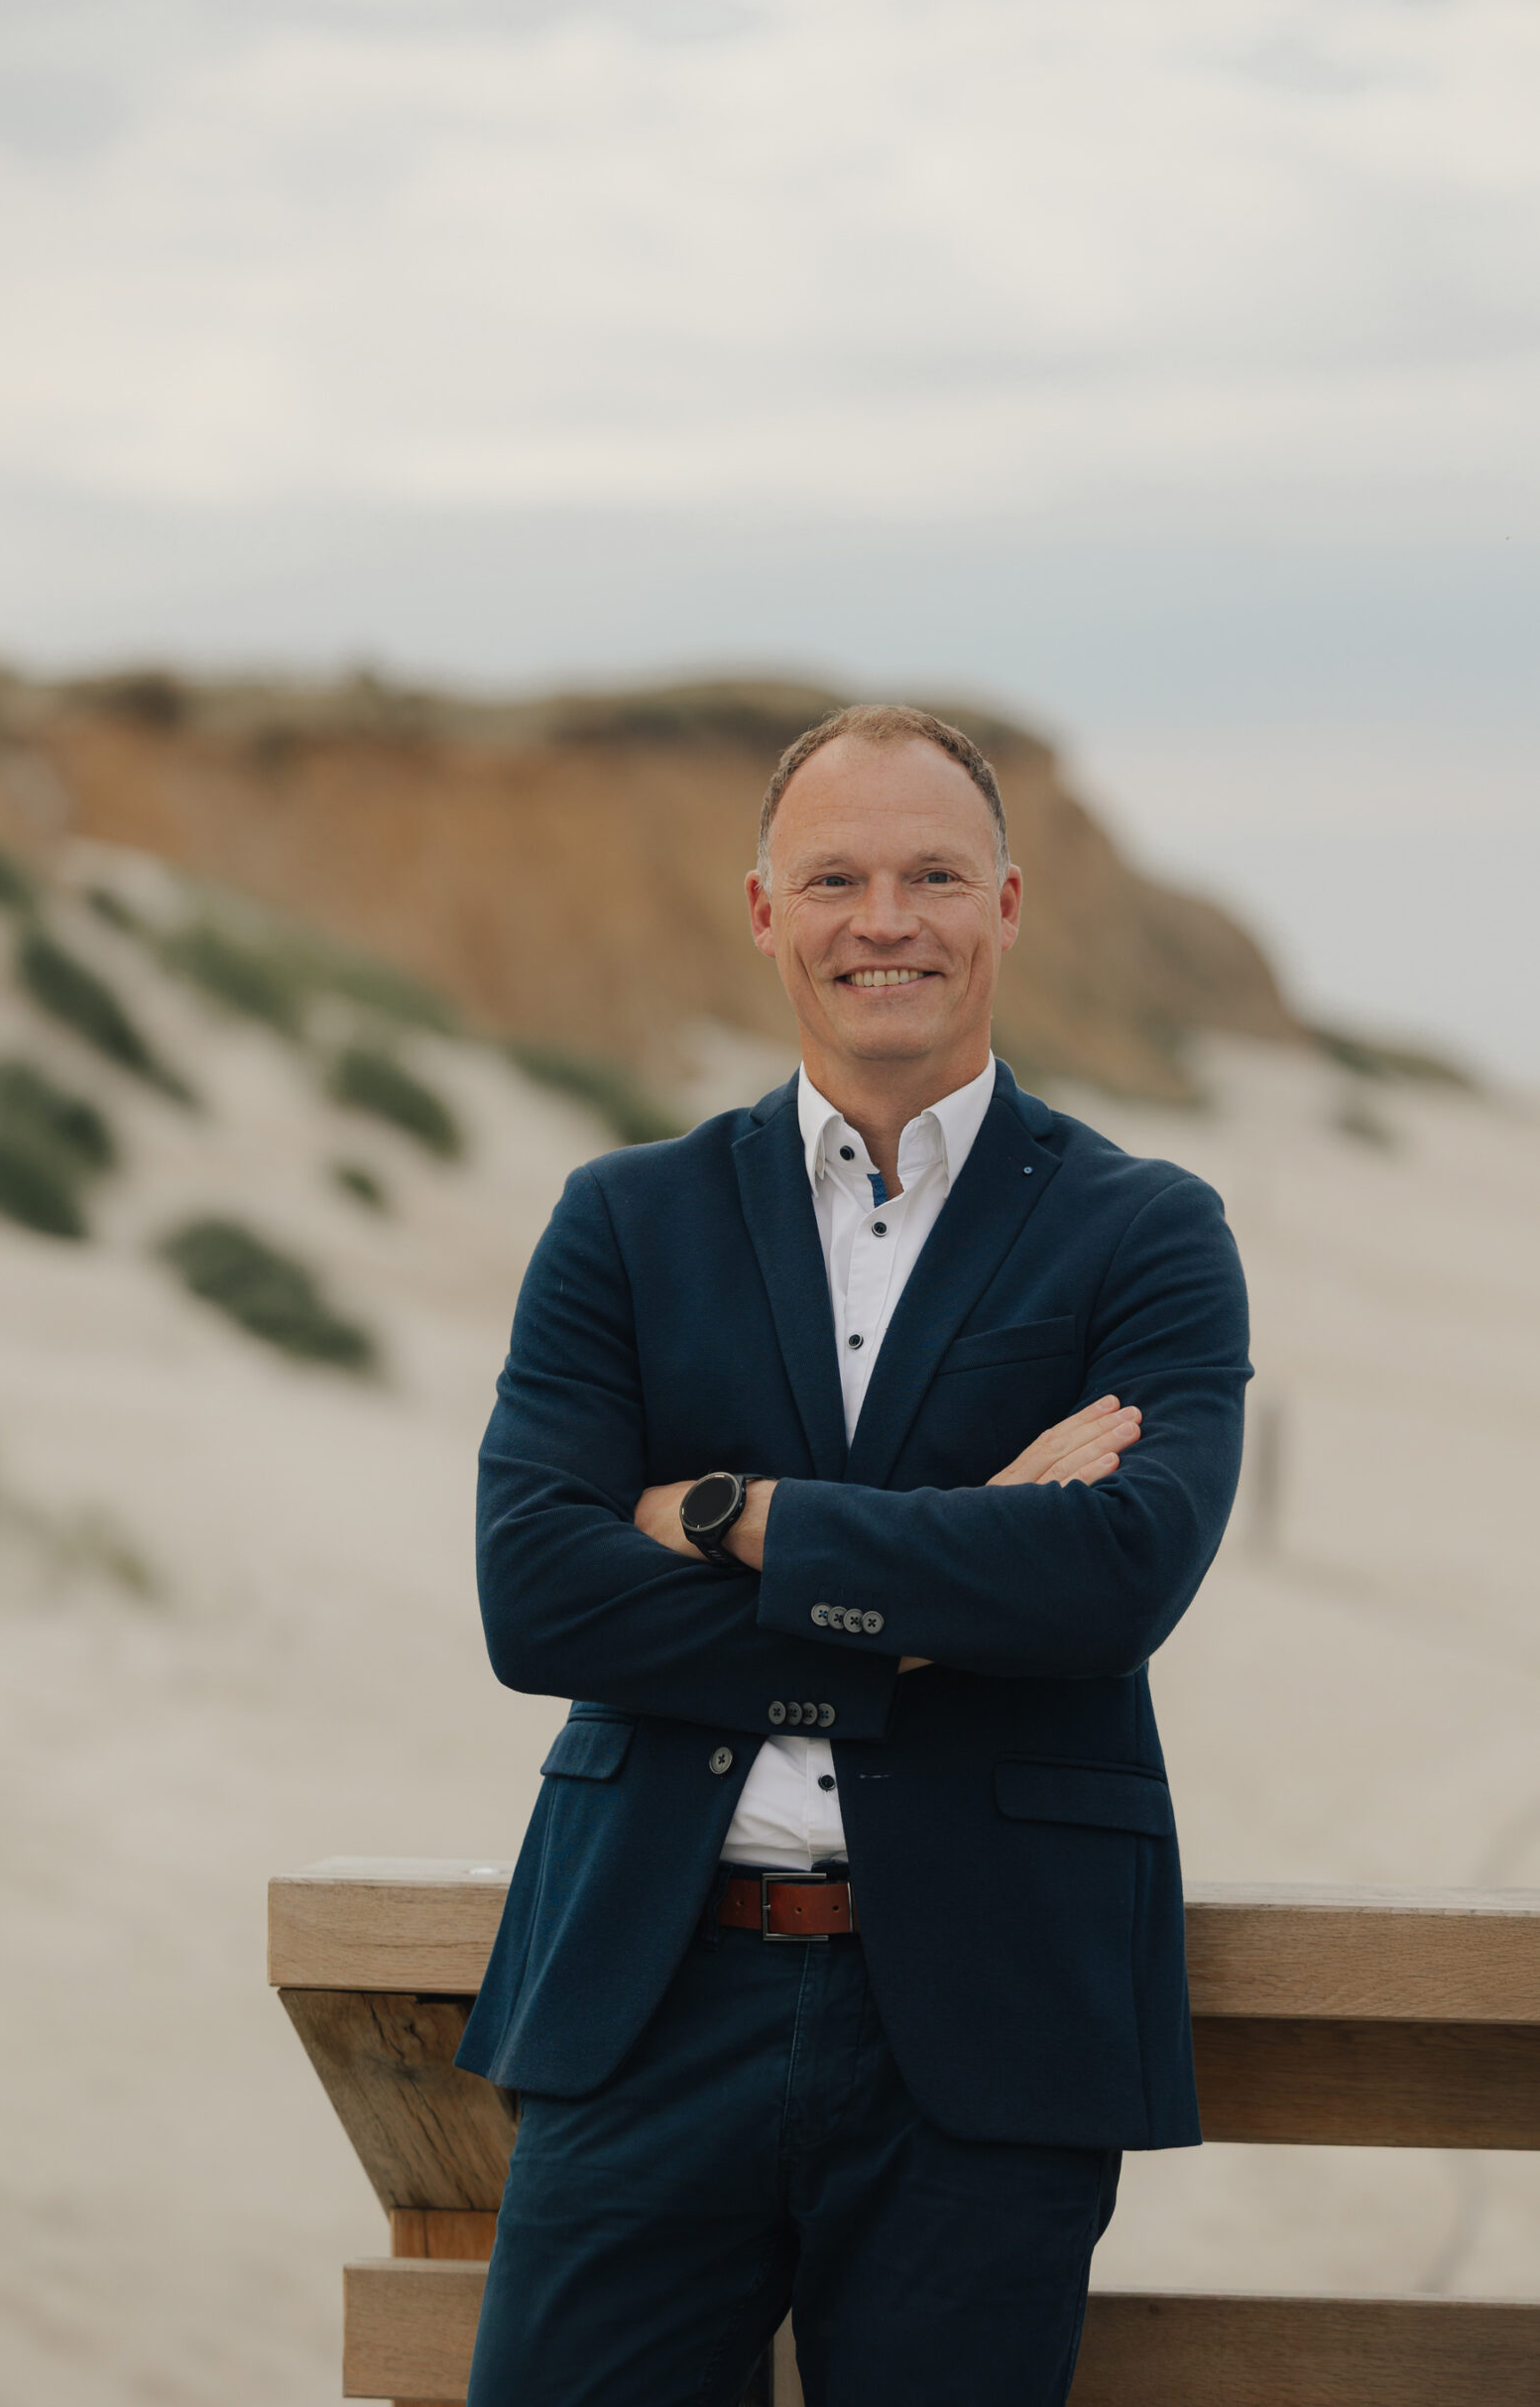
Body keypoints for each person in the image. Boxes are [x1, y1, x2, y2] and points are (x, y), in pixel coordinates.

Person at [459, 703, 1249, 2407]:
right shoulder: (624, 1220)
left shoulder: (1148, 1231)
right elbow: (534, 1593)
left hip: (995, 2012)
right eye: (835, 879)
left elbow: (1117, 1576)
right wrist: (944, 1593)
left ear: (1008, 905)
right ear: (766, 913)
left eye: (933, 877)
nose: (884, 921)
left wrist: (726, 1516)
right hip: (645, 1999)